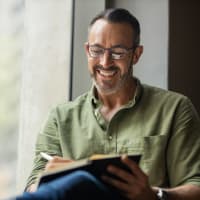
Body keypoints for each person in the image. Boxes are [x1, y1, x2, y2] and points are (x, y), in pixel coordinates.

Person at [25, 8, 200, 199]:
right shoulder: (59, 117)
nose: (105, 62)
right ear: (87, 51)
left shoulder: (175, 109)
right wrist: (54, 180)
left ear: (136, 54)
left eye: (117, 52)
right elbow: (32, 185)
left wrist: (154, 195)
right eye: (97, 50)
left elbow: (196, 185)